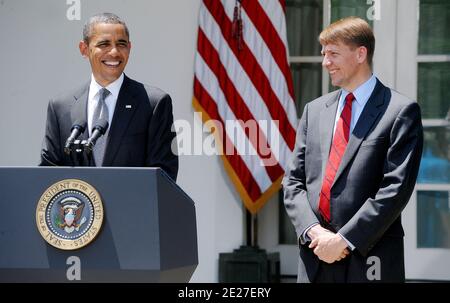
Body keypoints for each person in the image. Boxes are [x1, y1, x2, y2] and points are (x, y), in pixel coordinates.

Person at [283, 17, 423, 282]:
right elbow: (293, 182)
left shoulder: (400, 112)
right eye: (324, 54)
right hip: (315, 256)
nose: (326, 63)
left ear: (361, 54)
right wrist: (314, 232)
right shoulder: (314, 111)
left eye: (333, 54)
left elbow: (395, 189)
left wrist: (344, 240)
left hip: (370, 259)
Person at [40, 13, 178, 181]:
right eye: (104, 44)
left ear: (129, 48)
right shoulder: (60, 106)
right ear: (84, 49)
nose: (114, 52)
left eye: (121, 44)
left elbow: (164, 176)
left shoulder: (154, 103)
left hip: (130, 206)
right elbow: (47, 174)